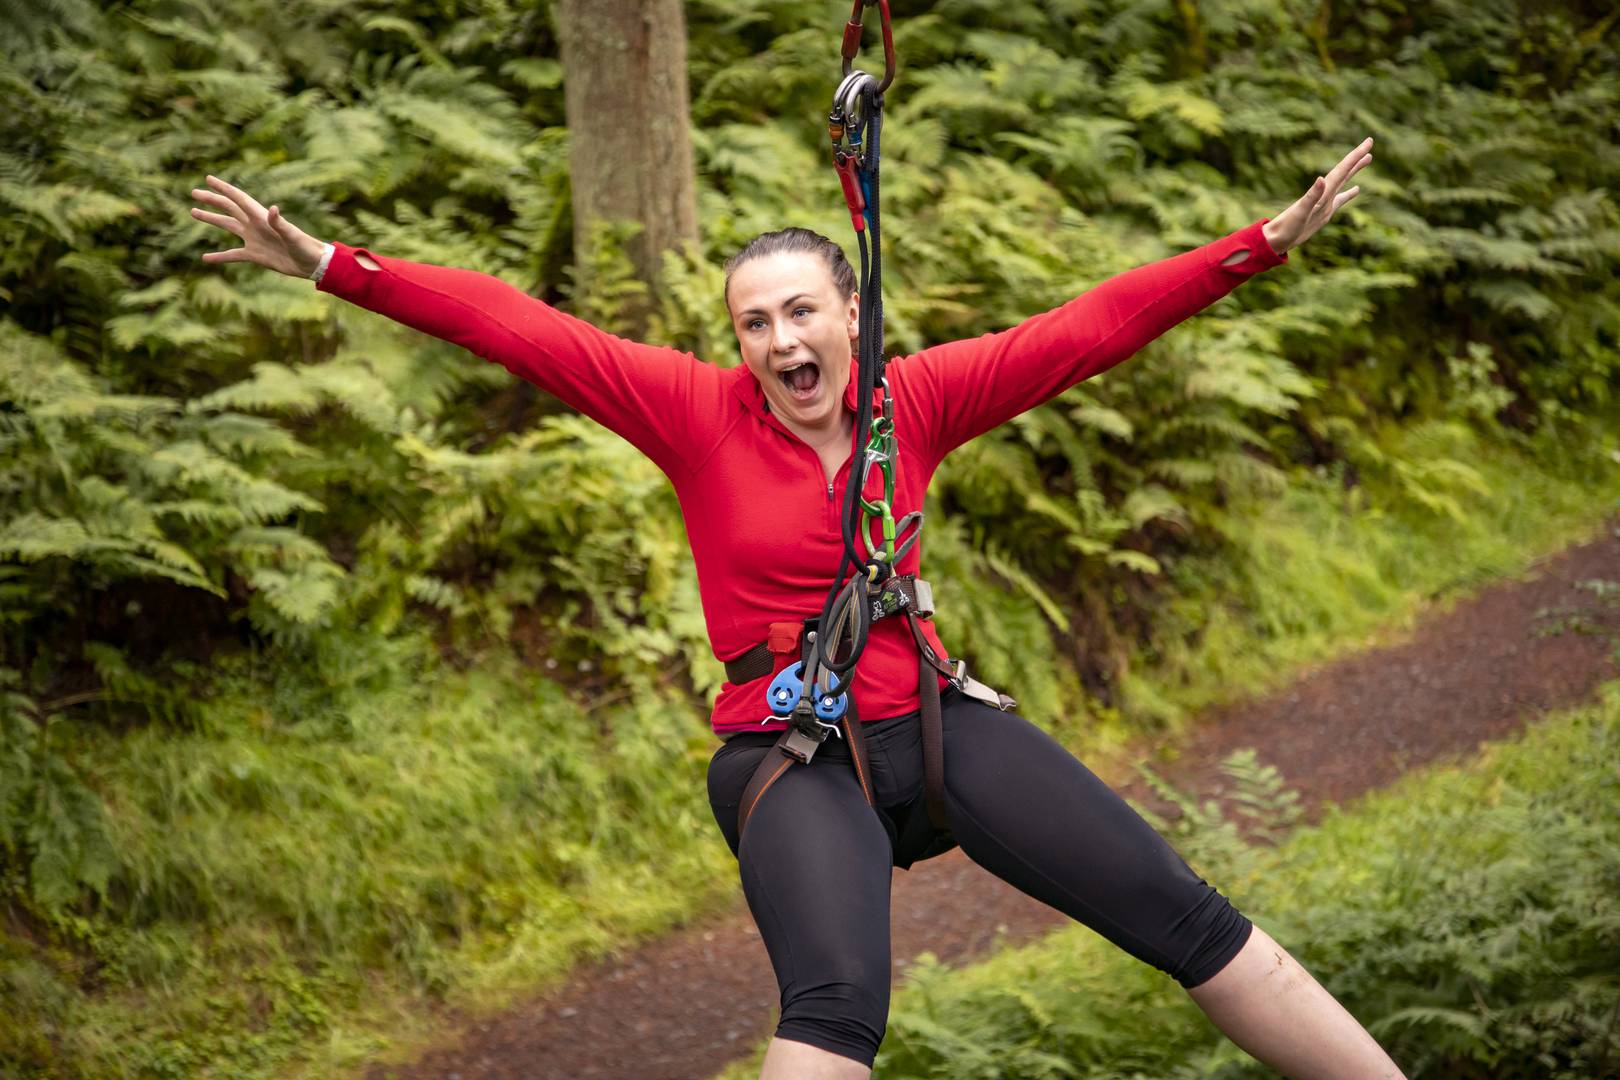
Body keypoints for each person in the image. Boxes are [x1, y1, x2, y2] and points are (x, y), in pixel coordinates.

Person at [188, 135, 1402, 1080]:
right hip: (789, 754)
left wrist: (1261, 243)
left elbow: (1085, 331)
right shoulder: (692, 412)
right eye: (755, 322)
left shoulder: (912, 402)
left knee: (1188, 918)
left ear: (851, 315)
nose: (780, 339)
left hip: (931, 723)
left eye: (801, 311)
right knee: (834, 1006)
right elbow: (520, 328)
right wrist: (330, 266)